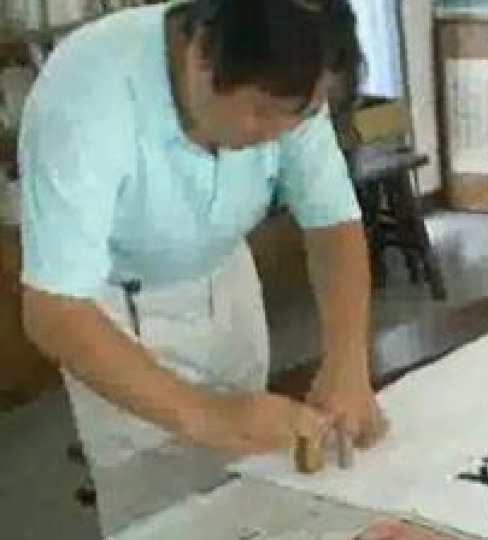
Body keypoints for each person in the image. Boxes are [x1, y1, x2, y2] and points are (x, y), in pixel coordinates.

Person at [18, 0, 386, 535]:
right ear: (201, 56)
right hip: (114, 315)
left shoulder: (291, 78)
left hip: (225, 273)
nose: (279, 134)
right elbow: (53, 309)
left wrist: (348, 362)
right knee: (162, 512)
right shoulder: (85, 97)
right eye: (262, 113)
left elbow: (332, 220)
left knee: (253, 487)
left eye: (301, 117)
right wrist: (211, 416)